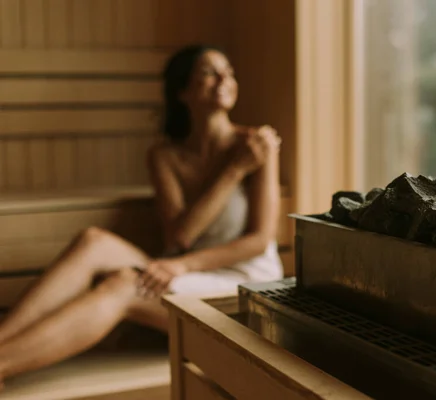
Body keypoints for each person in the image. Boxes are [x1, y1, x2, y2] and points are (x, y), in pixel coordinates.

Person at [0, 44, 283, 386]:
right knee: (94, 241)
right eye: (209, 72)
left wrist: (180, 265)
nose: (224, 79)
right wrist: (233, 171)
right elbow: (180, 237)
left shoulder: (257, 145)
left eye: (229, 71)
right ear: (182, 90)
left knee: (124, 283)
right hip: (186, 269)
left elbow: (258, 241)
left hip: (243, 284)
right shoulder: (166, 156)